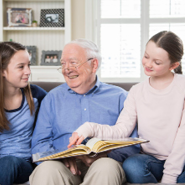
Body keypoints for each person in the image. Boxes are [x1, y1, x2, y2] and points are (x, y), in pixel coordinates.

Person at [69, 31, 185, 184]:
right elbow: (122, 130)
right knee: (132, 166)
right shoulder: (137, 91)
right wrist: (88, 128)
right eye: (146, 56)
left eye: (157, 62)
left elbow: (182, 139)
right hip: (150, 160)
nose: (148, 64)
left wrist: (169, 177)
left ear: (174, 65)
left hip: (181, 159)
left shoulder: (181, 87)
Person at [30, 38, 139, 185]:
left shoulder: (120, 97)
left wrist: (106, 155)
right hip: (63, 166)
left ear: (94, 64)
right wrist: (60, 157)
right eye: (63, 63)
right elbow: (39, 143)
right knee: (46, 169)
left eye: (73, 62)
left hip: (104, 163)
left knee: (106, 167)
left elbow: (133, 144)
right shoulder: (52, 98)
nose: (66, 69)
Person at [0, 41, 47, 185]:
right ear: (2, 71)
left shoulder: (36, 95)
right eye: (21, 67)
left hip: (23, 164)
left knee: (8, 163)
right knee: (4, 165)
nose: (28, 71)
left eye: (28, 65)